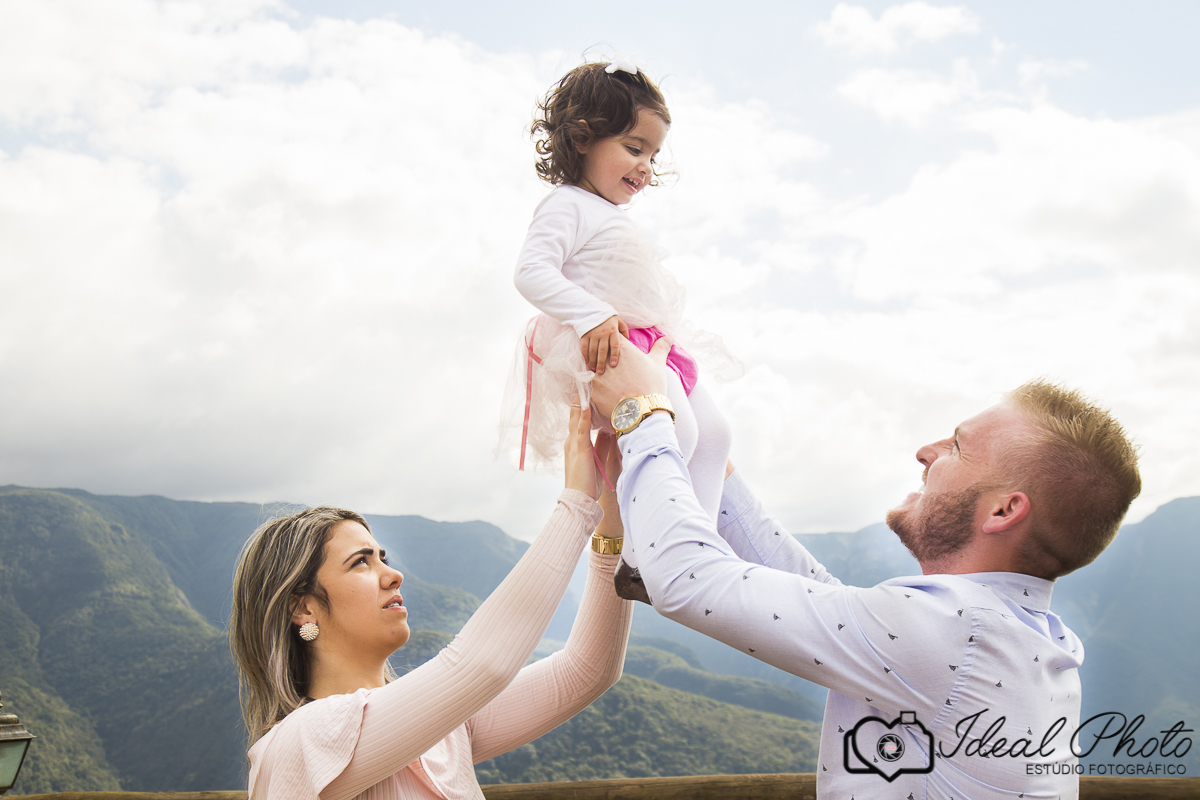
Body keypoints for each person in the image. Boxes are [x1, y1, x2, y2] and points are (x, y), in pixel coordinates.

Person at [590, 339, 1141, 798]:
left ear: (1003, 511)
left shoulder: (962, 635)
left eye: (956, 446)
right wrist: (706, 446)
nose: (925, 451)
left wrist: (641, 414)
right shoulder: (1028, 640)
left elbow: (689, 583)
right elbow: (819, 597)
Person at [229, 407, 633, 800]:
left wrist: (610, 513)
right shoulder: (298, 745)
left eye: (382, 557)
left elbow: (588, 669)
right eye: (360, 563)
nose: (392, 574)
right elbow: (483, 664)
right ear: (302, 608)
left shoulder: (443, 729)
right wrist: (577, 502)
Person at [499, 59, 739, 578]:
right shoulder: (566, 204)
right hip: (612, 347)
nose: (646, 166)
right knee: (680, 433)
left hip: (654, 340)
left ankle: (700, 551)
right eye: (634, 148)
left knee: (715, 433)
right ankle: (645, 558)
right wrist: (591, 315)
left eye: (653, 154)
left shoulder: (610, 214)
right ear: (584, 138)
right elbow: (531, 272)